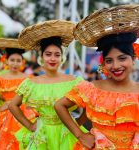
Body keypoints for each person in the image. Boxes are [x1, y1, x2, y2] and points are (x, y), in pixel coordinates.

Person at [55, 5, 139, 149]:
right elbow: (59, 105)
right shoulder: (92, 88)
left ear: (133, 58)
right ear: (103, 64)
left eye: (122, 58)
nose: (115, 65)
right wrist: (80, 135)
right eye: (109, 60)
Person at [9, 20, 86, 150]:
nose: (52, 59)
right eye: (48, 54)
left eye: (57, 55)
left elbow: (89, 104)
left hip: (68, 133)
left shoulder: (75, 81)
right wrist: (29, 125)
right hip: (42, 134)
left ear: (62, 58)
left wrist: (79, 122)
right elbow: (12, 105)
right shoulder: (31, 83)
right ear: (42, 57)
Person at [0, 38, 38, 150]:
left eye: (18, 60)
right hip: (6, 116)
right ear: (6, 61)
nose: (15, 63)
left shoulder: (29, 78)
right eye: (12, 60)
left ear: (22, 62)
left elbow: (36, 97)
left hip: (27, 116)